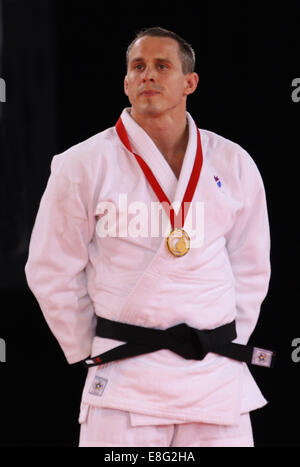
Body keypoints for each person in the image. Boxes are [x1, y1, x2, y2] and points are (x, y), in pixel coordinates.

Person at [25, 27, 273, 447]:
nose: (148, 76)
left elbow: (251, 267)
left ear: (189, 82)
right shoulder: (82, 164)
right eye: (137, 67)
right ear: (125, 82)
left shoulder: (233, 163)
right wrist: (93, 347)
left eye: (162, 66)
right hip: (125, 377)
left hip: (214, 380)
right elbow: (51, 269)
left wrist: (224, 339)